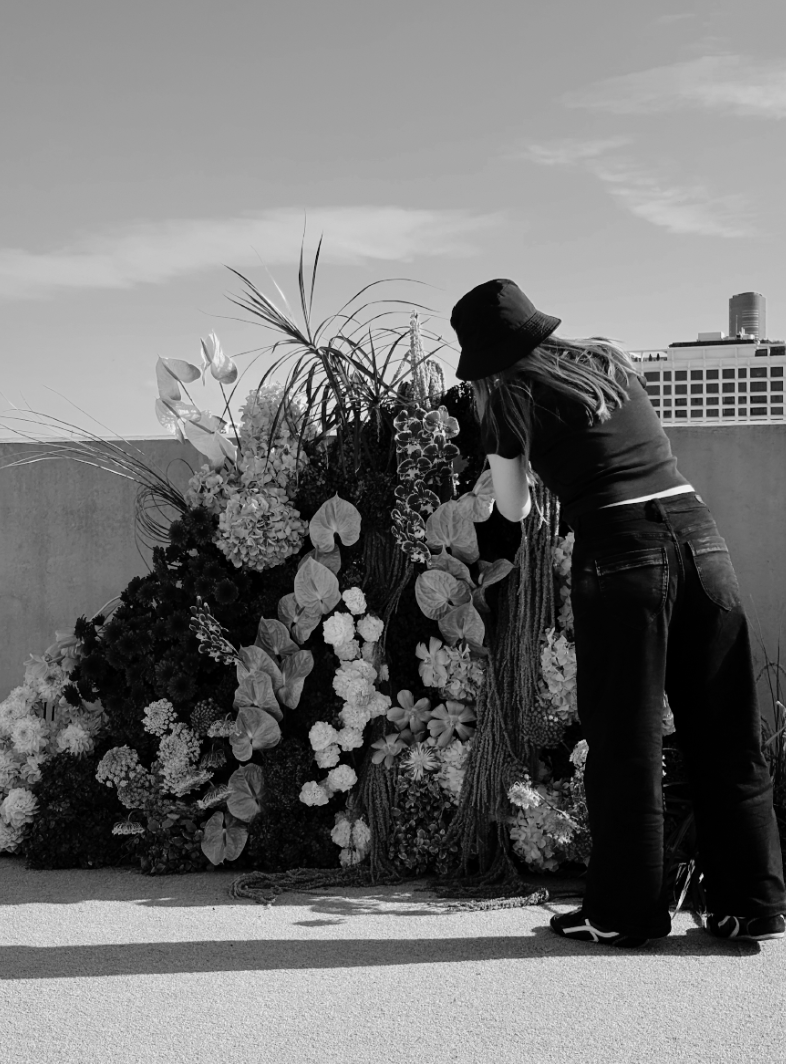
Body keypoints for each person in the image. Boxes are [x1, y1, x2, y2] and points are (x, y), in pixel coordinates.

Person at [450, 278, 786, 948]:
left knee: (625, 745)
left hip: (621, 553)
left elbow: (514, 511)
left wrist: (486, 449)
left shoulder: (509, 398)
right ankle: (753, 902)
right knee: (725, 729)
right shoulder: (607, 360)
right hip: (701, 539)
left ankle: (625, 912)